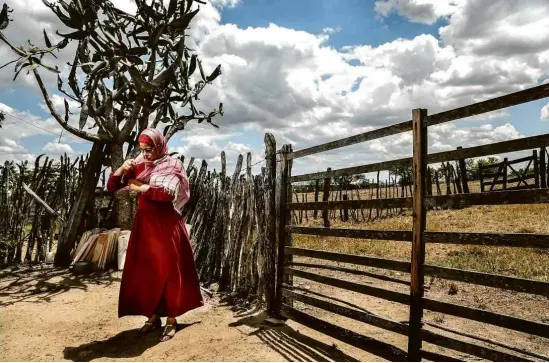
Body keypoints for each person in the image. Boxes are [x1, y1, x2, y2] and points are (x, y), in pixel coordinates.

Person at [106, 128, 203, 342]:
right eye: (143, 149)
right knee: (149, 272)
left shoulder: (172, 165)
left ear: (159, 146)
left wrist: (142, 189)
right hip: (145, 227)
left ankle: (171, 320)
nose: (146, 153)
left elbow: (166, 195)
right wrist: (122, 168)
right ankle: (153, 317)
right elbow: (113, 186)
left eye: (149, 149)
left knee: (169, 272)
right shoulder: (140, 164)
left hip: (167, 227)